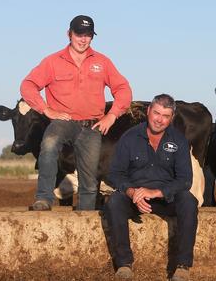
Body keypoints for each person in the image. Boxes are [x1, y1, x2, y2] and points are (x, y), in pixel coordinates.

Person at [20, 15, 132, 211]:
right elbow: (28, 85)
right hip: (64, 121)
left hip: (92, 125)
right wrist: (46, 109)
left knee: (89, 178)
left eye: (88, 35)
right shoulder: (53, 61)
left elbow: (123, 88)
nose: (83, 39)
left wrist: (112, 115)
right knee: (49, 145)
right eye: (79, 34)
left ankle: (85, 214)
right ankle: (44, 199)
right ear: (69, 34)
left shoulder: (102, 62)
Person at [104, 94, 198, 281]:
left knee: (188, 200)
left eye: (165, 116)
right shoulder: (129, 138)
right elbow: (114, 174)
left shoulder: (178, 140)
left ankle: (182, 267)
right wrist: (132, 193)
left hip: (166, 197)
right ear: (148, 111)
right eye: (156, 113)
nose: (159, 119)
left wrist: (156, 192)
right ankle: (124, 264)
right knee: (113, 202)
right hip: (135, 197)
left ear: (171, 118)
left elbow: (185, 180)